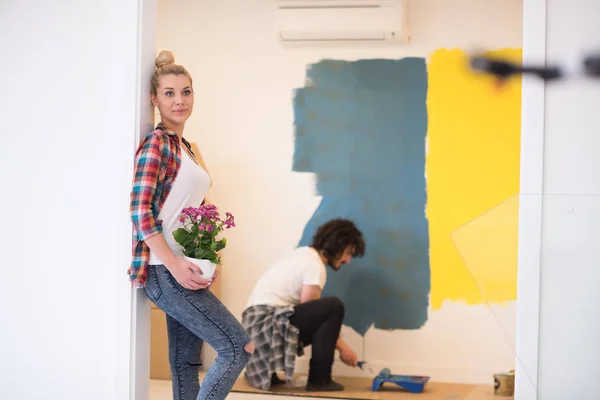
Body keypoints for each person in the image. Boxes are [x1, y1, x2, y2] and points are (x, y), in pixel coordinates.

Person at [128, 50, 254, 400]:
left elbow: (190, 211)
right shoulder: (157, 144)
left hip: (186, 268)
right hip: (165, 270)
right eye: (169, 93)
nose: (179, 100)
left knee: (186, 363)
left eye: (186, 91)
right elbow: (140, 211)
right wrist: (174, 263)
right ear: (154, 98)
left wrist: (204, 258)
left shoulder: (186, 148)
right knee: (238, 347)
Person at [241, 218, 365, 392]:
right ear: (337, 244)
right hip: (264, 326)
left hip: (254, 329)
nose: (348, 260)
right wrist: (343, 348)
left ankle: (275, 373)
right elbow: (313, 313)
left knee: (326, 311)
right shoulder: (315, 266)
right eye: (348, 252)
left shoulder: (302, 254)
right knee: (333, 307)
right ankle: (320, 380)